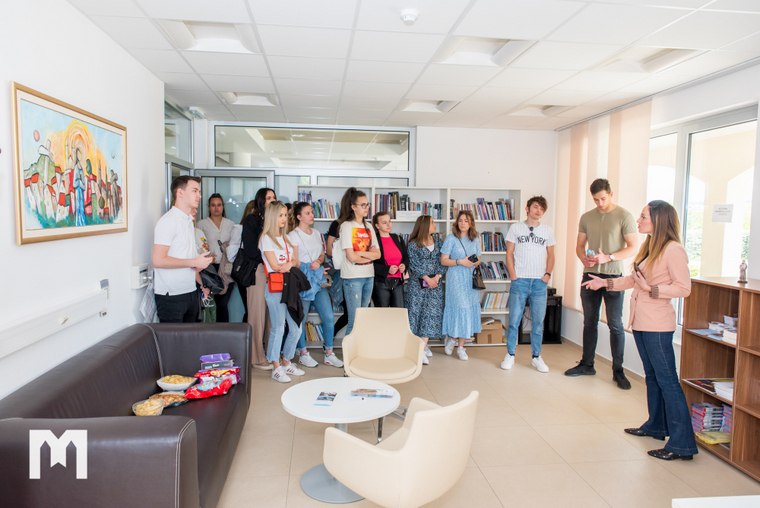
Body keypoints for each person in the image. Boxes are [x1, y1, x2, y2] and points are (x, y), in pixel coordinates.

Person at [582, 200, 696, 461]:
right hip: (642, 322)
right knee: (652, 377)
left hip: (658, 324)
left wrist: (651, 290)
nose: (638, 221)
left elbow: (684, 288)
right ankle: (656, 425)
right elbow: (633, 280)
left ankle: (681, 445)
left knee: (668, 381)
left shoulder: (673, 250)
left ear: (659, 220)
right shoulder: (650, 246)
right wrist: (604, 283)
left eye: (643, 216)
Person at [565, 178, 638, 390]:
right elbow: (579, 246)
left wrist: (610, 257)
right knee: (590, 321)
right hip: (590, 275)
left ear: (611, 194)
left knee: (615, 324)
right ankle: (587, 364)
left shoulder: (624, 216)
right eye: (596, 200)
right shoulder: (587, 217)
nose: (600, 203)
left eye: (603, 199)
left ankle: (618, 371)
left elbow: (633, 247)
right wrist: (583, 258)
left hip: (614, 277)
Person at [501, 196, 555, 373]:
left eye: (541, 209)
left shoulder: (547, 230)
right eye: (536, 207)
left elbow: (551, 254)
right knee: (514, 321)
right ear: (527, 208)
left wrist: (547, 275)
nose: (538, 211)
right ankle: (510, 354)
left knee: (538, 322)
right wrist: (513, 275)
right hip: (520, 280)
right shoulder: (516, 228)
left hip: (539, 282)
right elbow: (509, 253)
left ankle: (536, 357)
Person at [287, 202, 343, 369]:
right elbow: (294, 261)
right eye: (308, 213)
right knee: (301, 319)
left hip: (318, 281)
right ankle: (303, 353)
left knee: (328, 317)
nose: (312, 215)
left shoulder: (317, 233)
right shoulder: (293, 235)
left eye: (312, 212)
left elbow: (322, 255)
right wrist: (309, 266)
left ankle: (329, 353)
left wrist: (318, 262)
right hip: (303, 282)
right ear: (299, 217)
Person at [152, 176, 212, 323]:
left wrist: (201, 284)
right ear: (180, 193)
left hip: (190, 291)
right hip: (171, 295)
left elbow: (189, 260)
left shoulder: (188, 221)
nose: (199, 195)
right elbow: (158, 260)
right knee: (173, 338)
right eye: (195, 191)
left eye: (199, 191)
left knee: (190, 337)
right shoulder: (168, 221)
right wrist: (194, 262)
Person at [259, 201, 305, 383]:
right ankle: (276, 366)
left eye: (285, 215)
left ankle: (286, 362)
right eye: (280, 215)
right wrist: (288, 264)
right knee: (278, 328)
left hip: (289, 287)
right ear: (272, 217)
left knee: (296, 328)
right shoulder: (266, 239)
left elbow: (295, 261)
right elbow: (274, 265)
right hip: (275, 288)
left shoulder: (286, 238)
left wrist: (289, 264)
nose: (284, 218)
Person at [242, 187, 277, 370]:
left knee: (272, 315)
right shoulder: (252, 220)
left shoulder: (275, 221)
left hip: (275, 271)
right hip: (259, 269)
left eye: (274, 197)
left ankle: (271, 354)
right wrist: (270, 259)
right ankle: (256, 357)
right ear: (261, 201)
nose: (272, 200)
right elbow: (250, 250)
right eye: (268, 198)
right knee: (257, 314)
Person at [440, 210, 482, 361]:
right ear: (457, 222)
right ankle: (453, 338)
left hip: (470, 279)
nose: (463, 223)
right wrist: (460, 261)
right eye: (460, 220)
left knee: (468, 310)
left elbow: (478, 259)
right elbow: (443, 260)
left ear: (471, 223)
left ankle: (461, 347)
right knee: (461, 308)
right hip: (456, 278)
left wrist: (472, 262)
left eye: (466, 220)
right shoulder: (451, 238)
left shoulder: (474, 239)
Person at [338, 187, 380, 335]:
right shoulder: (346, 226)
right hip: (353, 278)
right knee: (354, 320)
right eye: (363, 205)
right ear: (353, 207)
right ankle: (348, 350)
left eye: (367, 204)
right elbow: (351, 257)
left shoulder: (369, 227)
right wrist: (369, 255)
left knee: (363, 320)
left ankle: (359, 348)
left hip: (369, 275)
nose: (366, 208)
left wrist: (361, 253)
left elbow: (378, 255)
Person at [406, 215, 446, 365]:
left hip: (435, 285)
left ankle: (423, 347)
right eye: (432, 223)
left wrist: (437, 276)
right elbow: (414, 264)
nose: (435, 225)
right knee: (416, 315)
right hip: (417, 286)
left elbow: (443, 261)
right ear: (424, 226)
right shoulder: (413, 244)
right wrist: (426, 278)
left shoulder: (439, 242)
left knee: (430, 316)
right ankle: (419, 349)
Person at [197, 193, 236, 322]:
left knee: (223, 303)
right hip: (210, 268)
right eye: (213, 205)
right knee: (213, 303)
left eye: (219, 205)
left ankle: (224, 331)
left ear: (223, 206)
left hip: (227, 267)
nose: (216, 208)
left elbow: (235, 244)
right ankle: (213, 330)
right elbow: (197, 245)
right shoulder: (201, 224)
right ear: (209, 207)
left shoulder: (230, 224)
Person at [325, 190, 354, 335]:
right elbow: (329, 251)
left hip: (358, 273)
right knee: (350, 313)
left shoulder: (361, 225)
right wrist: (349, 254)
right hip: (343, 274)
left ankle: (331, 339)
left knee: (357, 312)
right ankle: (330, 339)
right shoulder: (337, 224)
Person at [371, 212, 409, 308]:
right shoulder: (373, 241)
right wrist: (387, 269)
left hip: (398, 282)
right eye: (384, 222)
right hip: (381, 283)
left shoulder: (398, 238)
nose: (388, 225)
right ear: (377, 226)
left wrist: (404, 265)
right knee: (382, 314)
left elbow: (406, 257)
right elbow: (370, 264)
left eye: (389, 221)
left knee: (398, 313)